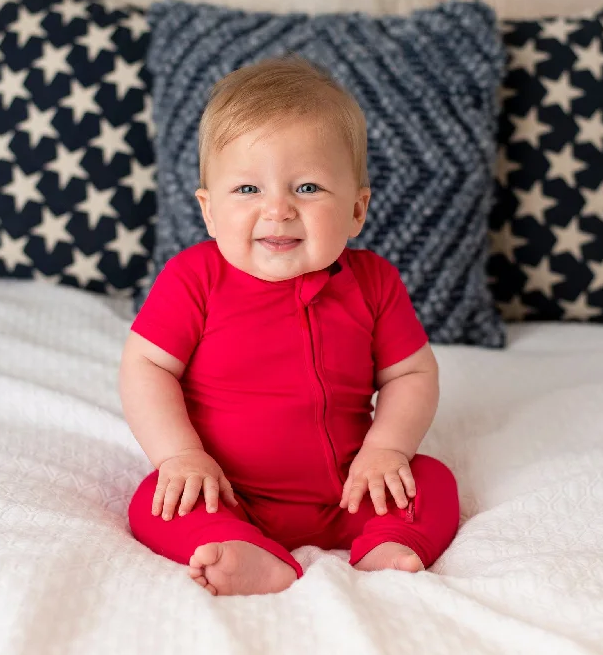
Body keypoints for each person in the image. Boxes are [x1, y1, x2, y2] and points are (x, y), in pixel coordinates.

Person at [120, 57, 459, 596]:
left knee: (433, 480)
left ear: (356, 209)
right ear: (208, 212)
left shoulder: (373, 281)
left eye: (308, 188)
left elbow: (411, 373)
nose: (278, 210)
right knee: (152, 503)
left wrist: (387, 449)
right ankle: (241, 549)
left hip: (350, 488)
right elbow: (146, 367)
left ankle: (387, 542)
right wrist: (180, 455)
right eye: (248, 190)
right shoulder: (194, 278)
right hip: (228, 490)